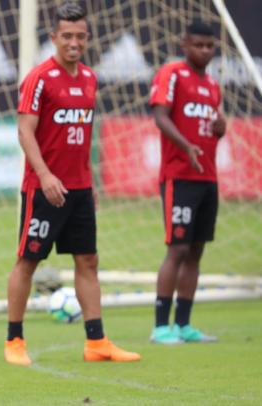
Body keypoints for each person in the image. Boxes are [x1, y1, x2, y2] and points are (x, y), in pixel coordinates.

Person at [4, 1, 140, 366]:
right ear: (54, 38)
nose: (74, 42)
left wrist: (90, 183)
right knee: (28, 261)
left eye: (80, 36)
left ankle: (96, 342)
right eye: (67, 36)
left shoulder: (90, 78)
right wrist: (45, 175)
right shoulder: (39, 78)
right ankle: (14, 340)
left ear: (88, 38)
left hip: (79, 188)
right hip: (44, 188)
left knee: (88, 261)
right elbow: (25, 130)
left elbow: (82, 136)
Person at [149, 22, 225, 344]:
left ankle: (184, 324)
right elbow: (160, 116)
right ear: (185, 45)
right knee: (177, 249)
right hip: (179, 177)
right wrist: (186, 146)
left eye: (210, 46)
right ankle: (160, 326)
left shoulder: (212, 86)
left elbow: (212, 130)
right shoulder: (172, 74)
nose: (205, 51)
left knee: (195, 251)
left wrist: (220, 128)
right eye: (198, 45)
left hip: (207, 178)